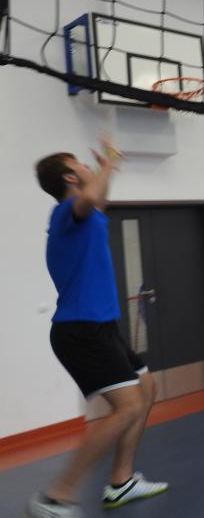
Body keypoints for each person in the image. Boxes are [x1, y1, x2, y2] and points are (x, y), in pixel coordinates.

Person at [27, 139, 167, 518]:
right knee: (127, 406)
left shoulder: (88, 219)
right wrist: (109, 162)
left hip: (103, 327)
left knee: (146, 388)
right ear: (70, 178)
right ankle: (55, 497)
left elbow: (98, 200)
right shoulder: (65, 213)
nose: (87, 166)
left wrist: (109, 168)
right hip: (80, 330)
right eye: (79, 164)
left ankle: (121, 482)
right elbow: (90, 198)